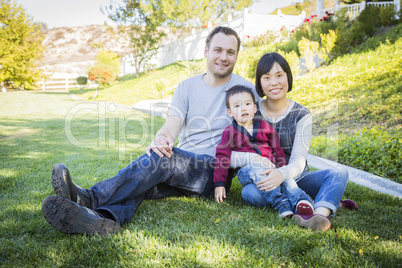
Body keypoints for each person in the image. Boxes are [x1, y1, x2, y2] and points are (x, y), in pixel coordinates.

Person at [41, 26, 258, 235]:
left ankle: (89, 198)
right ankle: (103, 219)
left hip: (214, 174)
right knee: (141, 182)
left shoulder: (246, 91)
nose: (224, 57)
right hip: (183, 168)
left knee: (164, 160)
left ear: (237, 56)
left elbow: (259, 136)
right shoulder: (187, 87)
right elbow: (172, 125)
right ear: (206, 51)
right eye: (218, 50)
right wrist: (162, 139)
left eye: (230, 52)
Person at [239, 52, 358, 231]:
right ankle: (316, 202)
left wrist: (282, 174)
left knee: (339, 173)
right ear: (260, 83)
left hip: (297, 176)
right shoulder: (252, 111)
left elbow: (298, 161)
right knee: (249, 192)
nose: (274, 83)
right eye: (267, 77)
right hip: (267, 179)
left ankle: (317, 216)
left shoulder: (301, 115)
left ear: (288, 77)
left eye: (279, 75)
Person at [213, 85, 314, 218]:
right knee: (257, 168)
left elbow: (277, 150)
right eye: (237, 106)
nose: (243, 108)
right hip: (247, 171)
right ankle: (281, 204)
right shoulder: (229, 132)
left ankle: (302, 201)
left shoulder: (263, 126)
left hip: (270, 167)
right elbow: (222, 157)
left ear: (254, 108)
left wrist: (282, 168)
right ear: (230, 112)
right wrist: (219, 184)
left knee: (286, 180)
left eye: (247, 104)